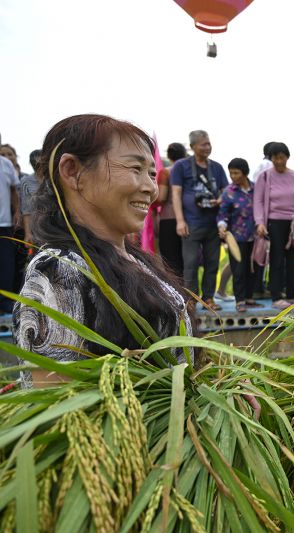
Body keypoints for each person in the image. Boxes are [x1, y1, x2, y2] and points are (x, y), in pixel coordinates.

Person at [12, 114, 193, 386]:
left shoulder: (134, 261)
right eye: (135, 169)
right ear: (72, 171)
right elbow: (58, 404)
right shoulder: (61, 272)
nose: (150, 188)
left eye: (152, 174)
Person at [170, 130, 229, 310]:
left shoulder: (217, 168)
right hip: (191, 223)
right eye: (203, 144)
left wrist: (220, 199)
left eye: (209, 143)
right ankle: (191, 299)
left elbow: (226, 191)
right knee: (190, 263)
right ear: (193, 146)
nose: (207, 147)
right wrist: (180, 221)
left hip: (213, 223)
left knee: (212, 262)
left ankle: (209, 298)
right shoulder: (181, 166)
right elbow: (176, 193)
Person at [254, 142, 294, 309]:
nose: (279, 161)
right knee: (276, 259)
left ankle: (292, 294)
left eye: (282, 157)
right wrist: (260, 222)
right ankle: (276, 296)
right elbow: (258, 201)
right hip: (274, 222)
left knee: (293, 259)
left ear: (287, 157)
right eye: (275, 158)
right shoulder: (265, 176)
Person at [217, 158, 262, 312]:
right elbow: (222, 213)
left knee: (253, 269)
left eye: (236, 173)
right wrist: (222, 227)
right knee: (238, 269)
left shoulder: (256, 189)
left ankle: (249, 298)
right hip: (236, 237)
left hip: (256, 237)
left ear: (245, 173)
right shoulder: (229, 192)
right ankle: (240, 300)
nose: (233, 176)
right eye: (231, 173)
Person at [155, 142, 187, 279]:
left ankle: (177, 291)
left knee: (170, 260)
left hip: (168, 219)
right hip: (188, 219)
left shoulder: (166, 172)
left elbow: (161, 197)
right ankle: (191, 293)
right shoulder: (189, 171)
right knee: (186, 258)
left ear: (169, 155)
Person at [0, 151, 19, 314]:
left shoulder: (6, 164)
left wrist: (17, 211)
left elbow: (14, 190)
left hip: (3, 222)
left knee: (6, 263)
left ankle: (5, 300)